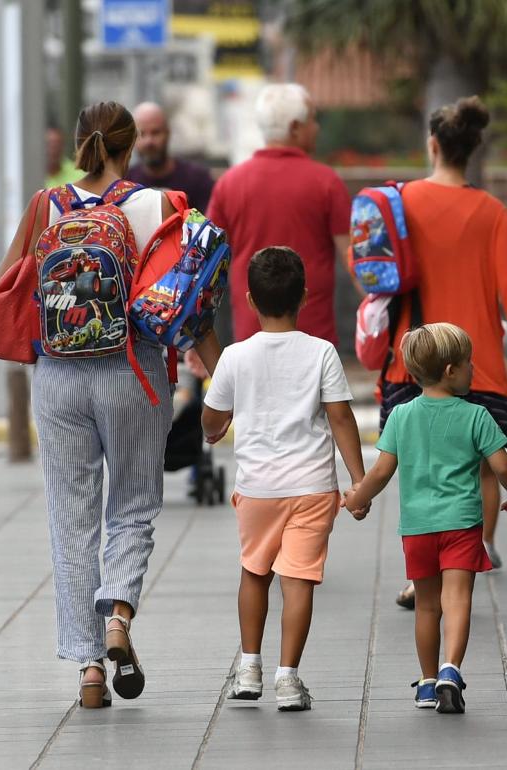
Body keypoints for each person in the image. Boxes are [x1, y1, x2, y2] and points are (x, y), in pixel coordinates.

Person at [0, 101, 223, 709]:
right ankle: (118, 612)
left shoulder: (45, 207)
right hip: (134, 372)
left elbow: (6, 282)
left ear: (78, 146)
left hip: (58, 376)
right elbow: (191, 302)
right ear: (130, 148)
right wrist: (222, 385)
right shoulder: (160, 206)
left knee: (70, 516)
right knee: (135, 501)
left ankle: (90, 667)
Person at [381, 96, 507, 608]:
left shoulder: (399, 202)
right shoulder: (491, 211)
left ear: (432, 144)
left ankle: (419, 574)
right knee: (481, 464)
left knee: (415, 462)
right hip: (477, 361)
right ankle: (479, 546)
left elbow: (372, 272)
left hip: (414, 352)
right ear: (472, 151)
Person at [201, 246, 367, 712]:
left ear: (250, 299)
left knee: (254, 573)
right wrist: (358, 481)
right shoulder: (322, 353)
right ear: (305, 296)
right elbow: (340, 419)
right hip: (313, 487)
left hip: (257, 489)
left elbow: (212, 420)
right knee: (298, 582)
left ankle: (249, 668)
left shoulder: (235, 356)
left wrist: (216, 428)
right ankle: (288, 679)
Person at [347, 323, 507, 714]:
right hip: (462, 524)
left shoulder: (400, 415)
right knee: (458, 599)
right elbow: (503, 466)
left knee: (427, 607)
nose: (472, 370)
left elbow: (380, 472)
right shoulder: (476, 415)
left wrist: (357, 501)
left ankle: (428, 683)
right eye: (468, 364)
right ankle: (451, 669)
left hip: (417, 528)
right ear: (451, 371)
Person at [206, 83, 354, 344]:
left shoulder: (229, 183)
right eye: (312, 120)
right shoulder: (327, 182)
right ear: (295, 127)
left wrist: (199, 337)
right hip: (313, 339)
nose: (317, 128)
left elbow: (206, 266)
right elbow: (353, 260)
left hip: (251, 336)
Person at [125, 101, 216, 212]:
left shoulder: (198, 180)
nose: (149, 141)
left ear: (168, 133)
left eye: (155, 132)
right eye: (141, 134)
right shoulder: (126, 185)